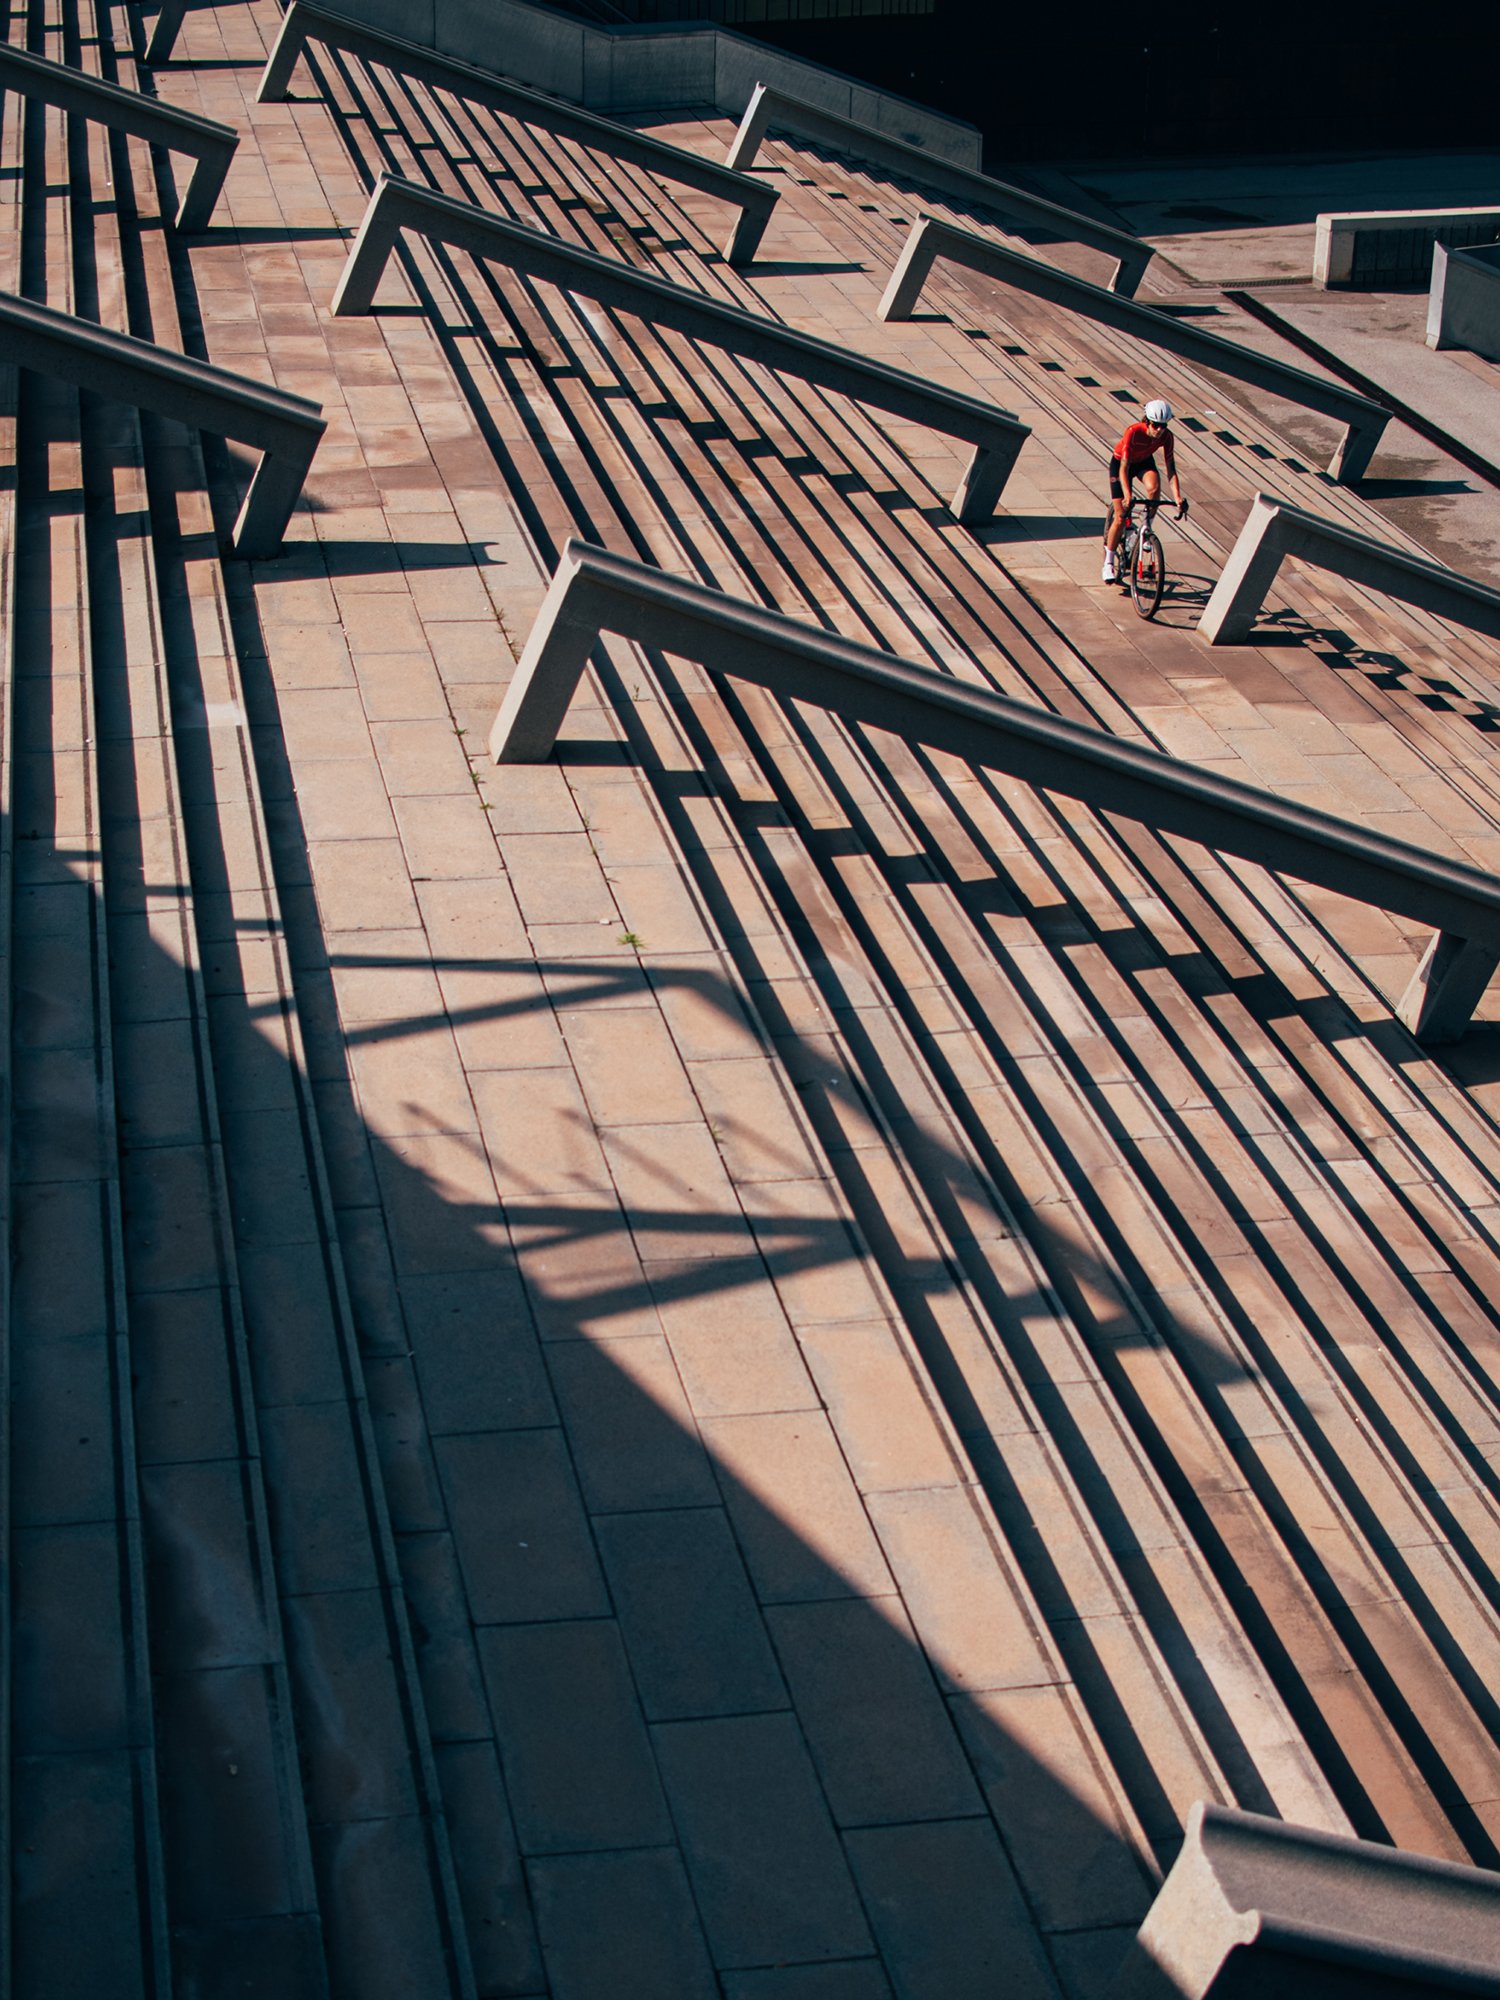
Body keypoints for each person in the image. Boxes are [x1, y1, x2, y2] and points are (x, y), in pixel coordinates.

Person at [1103, 398, 1188, 583]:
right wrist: (1127, 495)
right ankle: (1108, 562)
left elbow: (1171, 469)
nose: (1159, 430)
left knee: (1155, 488)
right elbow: (1123, 468)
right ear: (1147, 422)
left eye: (1163, 426)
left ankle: (1146, 522)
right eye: (1156, 425)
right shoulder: (1133, 431)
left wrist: (1178, 497)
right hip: (1122, 464)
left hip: (1143, 462)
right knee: (1120, 515)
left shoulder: (1167, 437)